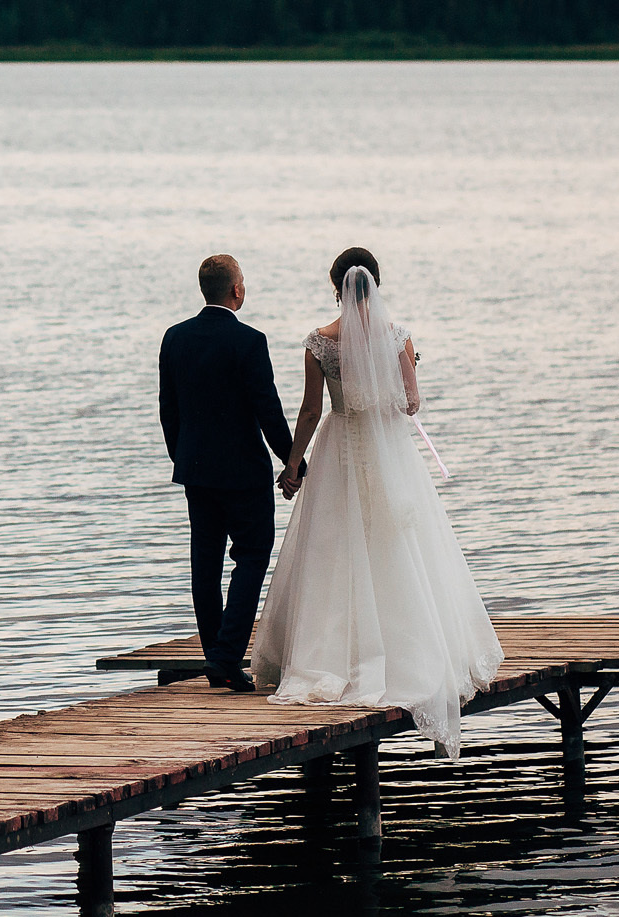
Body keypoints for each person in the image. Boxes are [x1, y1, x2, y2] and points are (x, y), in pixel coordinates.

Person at [251, 247, 502, 756]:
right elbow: (410, 404)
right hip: (389, 453)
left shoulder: (320, 342)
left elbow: (308, 411)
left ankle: (329, 658)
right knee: (398, 546)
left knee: (335, 550)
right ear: (377, 285)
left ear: (335, 285)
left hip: (339, 449)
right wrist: (403, 371)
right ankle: (411, 652)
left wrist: (294, 465)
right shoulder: (398, 338)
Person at [158, 254, 297, 692]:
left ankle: (216, 655)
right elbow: (267, 410)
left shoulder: (175, 337)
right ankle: (225, 656)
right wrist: (292, 461)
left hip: (195, 469)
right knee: (253, 555)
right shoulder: (249, 341)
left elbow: (168, 410)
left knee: (205, 560)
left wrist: (182, 457)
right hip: (244, 472)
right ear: (236, 290)